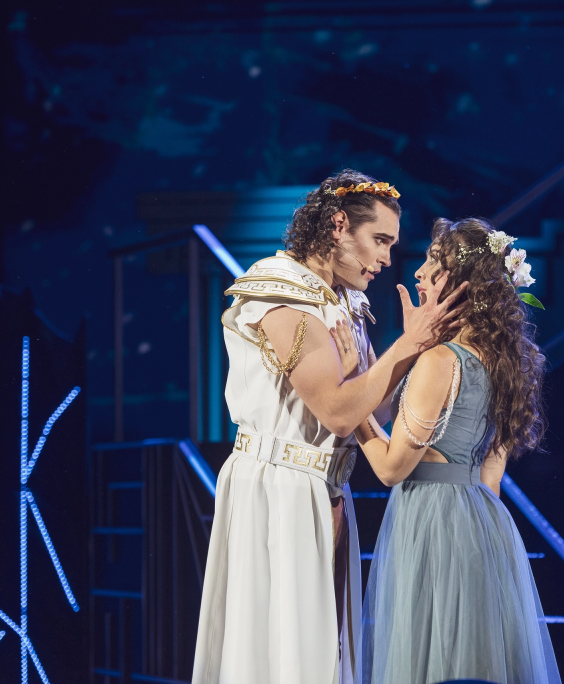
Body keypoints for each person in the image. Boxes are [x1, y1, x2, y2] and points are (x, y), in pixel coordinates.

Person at [192, 170, 467, 684]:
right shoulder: (282, 296)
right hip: (278, 489)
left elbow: (373, 413)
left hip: (327, 489)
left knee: (323, 652)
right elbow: (339, 414)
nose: (386, 258)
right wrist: (409, 344)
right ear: (339, 225)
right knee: (281, 654)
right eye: (379, 240)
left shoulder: (343, 301)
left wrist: (397, 358)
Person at [351, 217, 561, 684]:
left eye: (433, 262)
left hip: (433, 521)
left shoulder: (440, 361)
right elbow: (490, 477)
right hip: (483, 523)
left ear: (460, 283)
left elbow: (389, 469)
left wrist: (350, 407)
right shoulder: (505, 362)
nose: (419, 272)